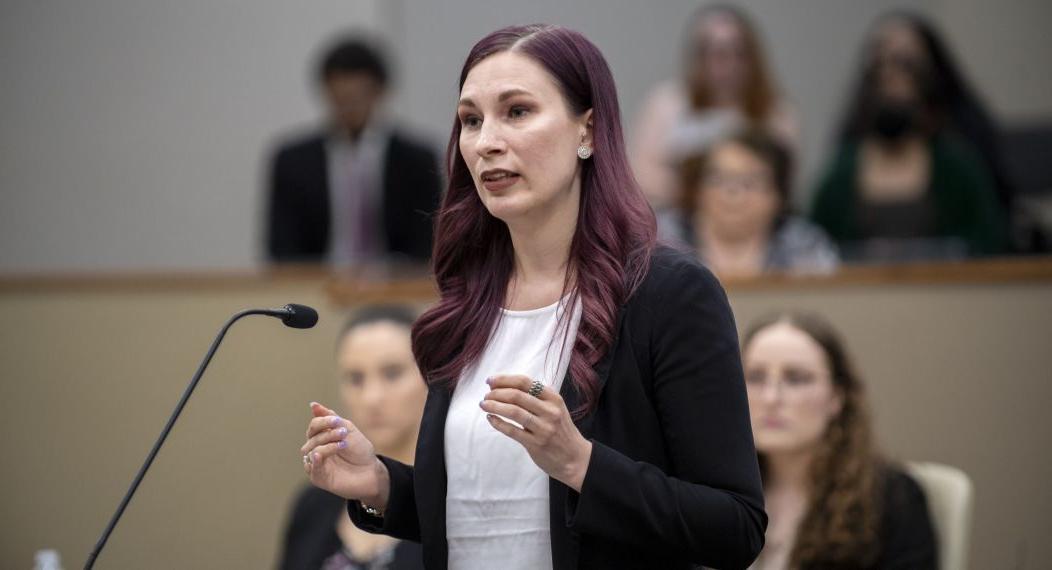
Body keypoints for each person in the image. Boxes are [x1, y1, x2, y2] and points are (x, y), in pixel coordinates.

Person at [299, 24, 766, 570]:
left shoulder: (668, 293)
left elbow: (736, 526)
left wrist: (581, 465)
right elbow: (485, 517)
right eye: (471, 120)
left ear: (587, 130)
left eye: (516, 112)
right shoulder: (466, 301)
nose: (486, 141)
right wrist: (381, 485)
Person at [741, 312, 937, 569]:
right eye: (755, 377)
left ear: (836, 397)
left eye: (795, 378)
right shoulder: (713, 489)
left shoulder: (893, 499)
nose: (770, 397)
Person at [811, 11, 1008, 262]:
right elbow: (816, 252)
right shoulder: (841, 173)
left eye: (905, 64)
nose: (892, 76)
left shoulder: (958, 168)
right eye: (881, 63)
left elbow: (988, 246)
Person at [266, 36, 442, 266]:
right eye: (340, 99)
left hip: (396, 286)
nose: (348, 108)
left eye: (357, 97)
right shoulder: (292, 161)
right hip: (316, 286)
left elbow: (428, 243)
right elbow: (282, 248)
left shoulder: (417, 159)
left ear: (380, 92)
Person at [280, 306, 427, 570]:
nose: (372, 398)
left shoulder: (449, 501)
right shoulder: (314, 505)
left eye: (392, 373)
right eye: (355, 379)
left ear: (431, 377)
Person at [632, 3, 799, 211]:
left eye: (738, 52)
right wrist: (700, 193)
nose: (727, 64)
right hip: (679, 220)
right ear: (696, 58)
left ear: (753, 57)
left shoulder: (776, 112)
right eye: (715, 53)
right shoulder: (666, 103)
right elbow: (640, 175)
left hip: (755, 226)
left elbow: (785, 184)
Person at [666, 130, 838, 278]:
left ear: (778, 195)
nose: (732, 194)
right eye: (718, 179)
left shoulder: (805, 245)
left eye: (749, 183)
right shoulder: (663, 239)